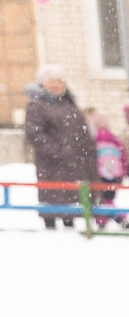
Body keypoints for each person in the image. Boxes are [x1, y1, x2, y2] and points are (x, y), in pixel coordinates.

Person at [23, 69, 96, 230]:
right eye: (51, 81)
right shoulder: (37, 105)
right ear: (42, 84)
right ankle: (51, 228)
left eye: (59, 81)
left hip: (74, 163)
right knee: (52, 198)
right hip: (51, 165)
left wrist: (87, 152)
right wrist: (59, 151)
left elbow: (82, 132)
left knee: (70, 200)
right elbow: (35, 134)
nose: (55, 85)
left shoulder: (69, 104)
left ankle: (69, 224)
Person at [93, 120, 129, 228]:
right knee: (108, 199)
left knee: (102, 200)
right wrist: (123, 173)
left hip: (100, 176)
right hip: (114, 176)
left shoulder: (94, 142)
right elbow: (124, 158)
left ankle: (117, 218)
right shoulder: (116, 142)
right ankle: (108, 220)